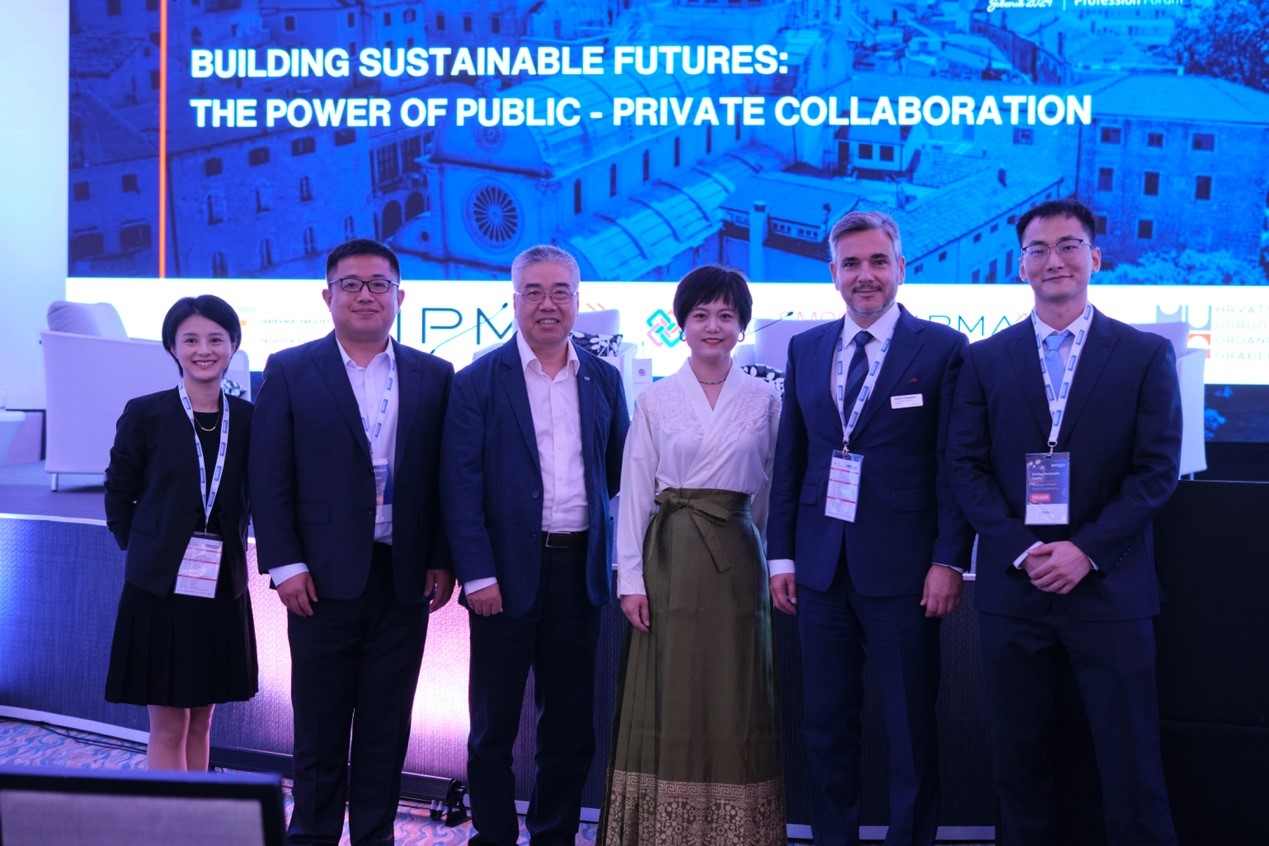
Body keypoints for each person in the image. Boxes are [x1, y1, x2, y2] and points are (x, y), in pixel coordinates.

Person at [947, 199, 1181, 845]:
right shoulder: (984, 359)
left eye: (1069, 245)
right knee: (1018, 765)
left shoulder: (1143, 354)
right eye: (1038, 249)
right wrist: (1024, 550)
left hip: (1110, 590)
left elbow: (1156, 471)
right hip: (1015, 592)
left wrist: (1084, 550)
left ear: (1095, 257)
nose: (1054, 260)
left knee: (1130, 764)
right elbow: (964, 468)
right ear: (1020, 265)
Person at [766, 211, 973, 846]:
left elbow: (954, 465)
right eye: (851, 263)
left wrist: (949, 559)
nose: (865, 275)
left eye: (878, 261)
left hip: (906, 571)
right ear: (832, 273)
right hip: (820, 567)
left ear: (901, 269)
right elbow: (792, 458)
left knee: (910, 726)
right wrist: (782, 557)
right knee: (825, 724)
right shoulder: (804, 348)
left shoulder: (943, 349)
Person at [249, 239, 455, 845]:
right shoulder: (290, 368)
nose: (366, 295)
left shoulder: (434, 375)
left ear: (400, 295)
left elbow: (445, 477)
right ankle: (311, 836)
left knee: (386, 729)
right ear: (328, 295)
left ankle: (374, 836)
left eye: (379, 284)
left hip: (402, 577)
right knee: (319, 727)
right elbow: (268, 473)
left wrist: (440, 557)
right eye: (351, 284)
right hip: (318, 578)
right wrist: (284, 563)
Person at [440, 244, 628, 846]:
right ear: (515, 300)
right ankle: (493, 837)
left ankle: (553, 836)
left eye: (560, 292)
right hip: (502, 577)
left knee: (570, 728)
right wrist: (478, 575)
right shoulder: (476, 382)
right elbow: (459, 487)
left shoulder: (603, 378)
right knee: (492, 728)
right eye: (534, 292)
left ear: (577, 299)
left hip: (579, 574)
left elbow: (617, 470)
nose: (548, 304)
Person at [600, 265, 785, 846]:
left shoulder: (765, 398)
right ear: (680, 323)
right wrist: (631, 580)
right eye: (700, 314)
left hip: (737, 558)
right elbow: (635, 492)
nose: (713, 326)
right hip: (671, 557)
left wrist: (763, 554)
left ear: (742, 327)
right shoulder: (655, 398)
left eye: (726, 315)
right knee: (671, 690)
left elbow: (770, 492)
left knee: (735, 691)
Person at [104, 294, 257, 771]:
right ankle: (166, 814)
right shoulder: (146, 413)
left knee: (203, 721)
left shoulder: (249, 419)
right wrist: (147, 548)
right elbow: (119, 492)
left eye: (215, 339)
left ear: (233, 345)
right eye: (190, 340)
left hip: (221, 586)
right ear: (172, 347)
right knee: (169, 724)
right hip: (159, 589)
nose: (203, 350)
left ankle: (196, 811)